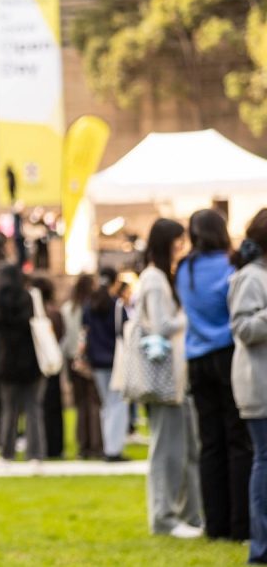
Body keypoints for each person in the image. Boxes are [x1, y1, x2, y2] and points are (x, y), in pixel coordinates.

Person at [177, 208, 251, 542]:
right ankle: (240, 524)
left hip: (197, 358)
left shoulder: (185, 268)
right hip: (227, 355)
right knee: (237, 439)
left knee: (210, 443)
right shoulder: (230, 265)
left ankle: (215, 524)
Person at [136, 217, 203, 539]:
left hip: (176, 376)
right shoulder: (153, 279)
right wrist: (190, 314)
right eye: (178, 240)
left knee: (189, 448)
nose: (182, 245)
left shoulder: (162, 276)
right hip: (164, 376)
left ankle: (190, 514)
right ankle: (164, 517)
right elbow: (159, 325)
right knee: (167, 450)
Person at [228, 209, 267, 564]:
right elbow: (243, 328)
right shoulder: (249, 278)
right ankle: (261, 548)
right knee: (264, 461)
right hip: (258, 386)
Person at [0, 265, 45, 464]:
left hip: (6, 362)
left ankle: (7, 452)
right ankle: (34, 454)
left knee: (9, 409)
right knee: (33, 408)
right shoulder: (29, 298)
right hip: (31, 361)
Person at [85, 270, 128, 462]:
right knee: (117, 403)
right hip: (115, 360)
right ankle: (113, 449)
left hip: (96, 360)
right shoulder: (117, 306)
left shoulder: (89, 305)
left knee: (106, 404)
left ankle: (108, 445)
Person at [61, 273, 103, 459]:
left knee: (81, 404)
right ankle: (96, 444)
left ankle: (83, 445)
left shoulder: (68, 308)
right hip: (90, 359)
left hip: (72, 360)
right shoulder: (94, 307)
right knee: (95, 402)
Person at [33, 276, 65, 459]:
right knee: (54, 406)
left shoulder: (40, 314)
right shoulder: (54, 312)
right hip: (53, 362)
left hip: (42, 363)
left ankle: (45, 445)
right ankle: (56, 446)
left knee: (43, 405)